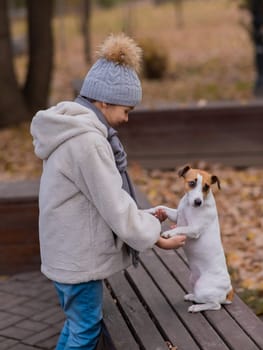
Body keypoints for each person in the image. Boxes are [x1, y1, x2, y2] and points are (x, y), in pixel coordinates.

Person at [30, 33, 186, 350]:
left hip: (65, 253)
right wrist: (155, 230)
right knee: (86, 330)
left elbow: (98, 201)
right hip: (78, 261)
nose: (126, 119)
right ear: (104, 102)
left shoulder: (70, 130)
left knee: (78, 324)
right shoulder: (88, 142)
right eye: (125, 110)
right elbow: (114, 205)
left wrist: (145, 219)